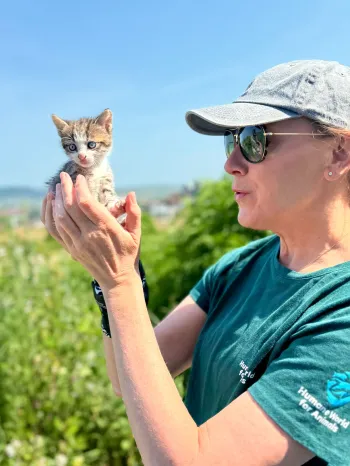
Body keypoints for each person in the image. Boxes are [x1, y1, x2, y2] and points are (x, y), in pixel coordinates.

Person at [41, 59, 350, 466]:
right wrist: (114, 276)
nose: (230, 163)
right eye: (231, 140)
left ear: (339, 152)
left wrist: (119, 282)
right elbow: (125, 377)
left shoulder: (339, 315)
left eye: (255, 141)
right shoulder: (239, 267)